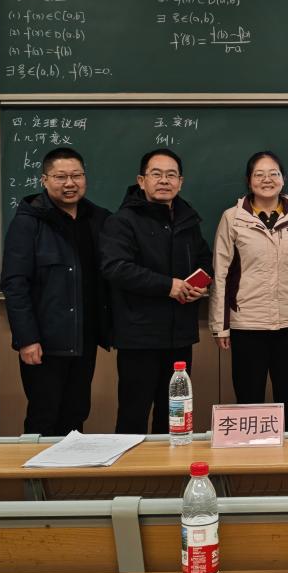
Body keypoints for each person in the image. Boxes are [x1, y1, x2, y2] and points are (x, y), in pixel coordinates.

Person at [100, 148, 212, 435]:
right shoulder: (122, 221)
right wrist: (168, 286)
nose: (164, 180)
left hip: (179, 335)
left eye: (171, 175)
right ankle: (131, 466)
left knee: (175, 415)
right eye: (156, 174)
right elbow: (116, 268)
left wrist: (200, 285)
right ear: (141, 180)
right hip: (139, 337)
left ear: (180, 182)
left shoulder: (188, 220)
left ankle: (173, 463)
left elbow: (204, 259)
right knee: (134, 415)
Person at [208, 151, 288, 432]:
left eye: (274, 173)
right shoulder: (232, 218)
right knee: (249, 401)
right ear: (249, 181)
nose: (267, 179)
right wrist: (220, 326)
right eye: (259, 174)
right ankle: (250, 456)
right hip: (247, 324)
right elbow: (221, 273)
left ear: (283, 179)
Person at [1, 147, 110, 436]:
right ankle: (35, 468)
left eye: (77, 175)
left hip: (84, 338)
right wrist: (27, 339)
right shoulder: (28, 222)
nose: (70, 183)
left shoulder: (98, 219)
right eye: (61, 177)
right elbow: (15, 283)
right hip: (45, 342)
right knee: (43, 416)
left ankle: (69, 466)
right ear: (44, 180)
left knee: (76, 414)